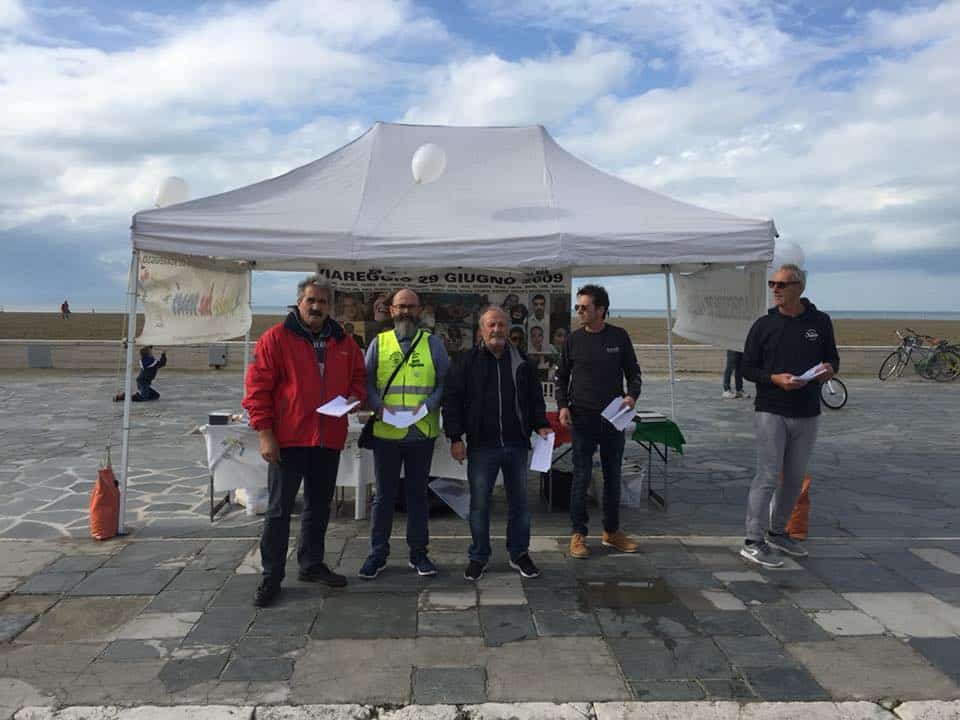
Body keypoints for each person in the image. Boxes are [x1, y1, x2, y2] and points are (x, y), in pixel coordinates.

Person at [243, 275, 366, 607]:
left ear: (330, 307)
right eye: (310, 300)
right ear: (299, 302)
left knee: (318, 508)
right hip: (288, 439)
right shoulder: (276, 339)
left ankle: (311, 564)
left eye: (322, 302)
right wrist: (266, 434)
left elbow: (359, 379)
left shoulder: (343, 342)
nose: (316, 307)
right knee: (280, 510)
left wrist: (353, 399)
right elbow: (257, 390)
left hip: (328, 439)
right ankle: (272, 576)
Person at [739, 264, 839, 568]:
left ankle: (778, 531)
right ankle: (752, 540)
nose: (775, 290)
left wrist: (829, 370)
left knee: (794, 479)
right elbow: (747, 368)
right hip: (771, 409)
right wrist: (774, 379)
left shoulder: (820, 322)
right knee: (768, 476)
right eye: (772, 284)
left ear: (800, 287)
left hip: (808, 411)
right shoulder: (763, 325)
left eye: (782, 284)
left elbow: (832, 357)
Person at [443, 306, 551, 581]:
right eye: (491, 325)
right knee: (479, 505)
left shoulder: (522, 362)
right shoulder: (467, 361)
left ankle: (519, 553)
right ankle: (479, 555)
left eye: (501, 325)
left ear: (508, 329)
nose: (497, 330)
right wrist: (456, 438)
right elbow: (452, 401)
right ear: (481, 330)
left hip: (517, 445)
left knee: (520, 505)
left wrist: (541, 424)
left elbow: (534, 399)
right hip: (482, 446)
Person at [358, 288, 450, 579]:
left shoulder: (433, 344)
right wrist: (378, 407)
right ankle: (377, 554)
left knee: (417, 497)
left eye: (411, 306)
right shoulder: (379, 343)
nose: (406, 311)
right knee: (383, 497)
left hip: (421, 433)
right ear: (391, 310)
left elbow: (445, 382)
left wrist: (428, 407)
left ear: (419, 310)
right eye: (401, 307)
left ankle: (419, 553)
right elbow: (366, 381)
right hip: (386, 433)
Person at [556, 284, 642, 559]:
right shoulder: (572, 339)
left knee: (612, 475)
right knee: (581, 476)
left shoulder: (619, 336)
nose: (579, 312)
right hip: (582, 417)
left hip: (613, 418)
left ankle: (611, 531)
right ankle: (578, 534)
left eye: (584, 307)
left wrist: (632, 396)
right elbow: (561, 378)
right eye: (577, 307)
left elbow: (634, 374)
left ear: (601, 310)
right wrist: (562, 406)